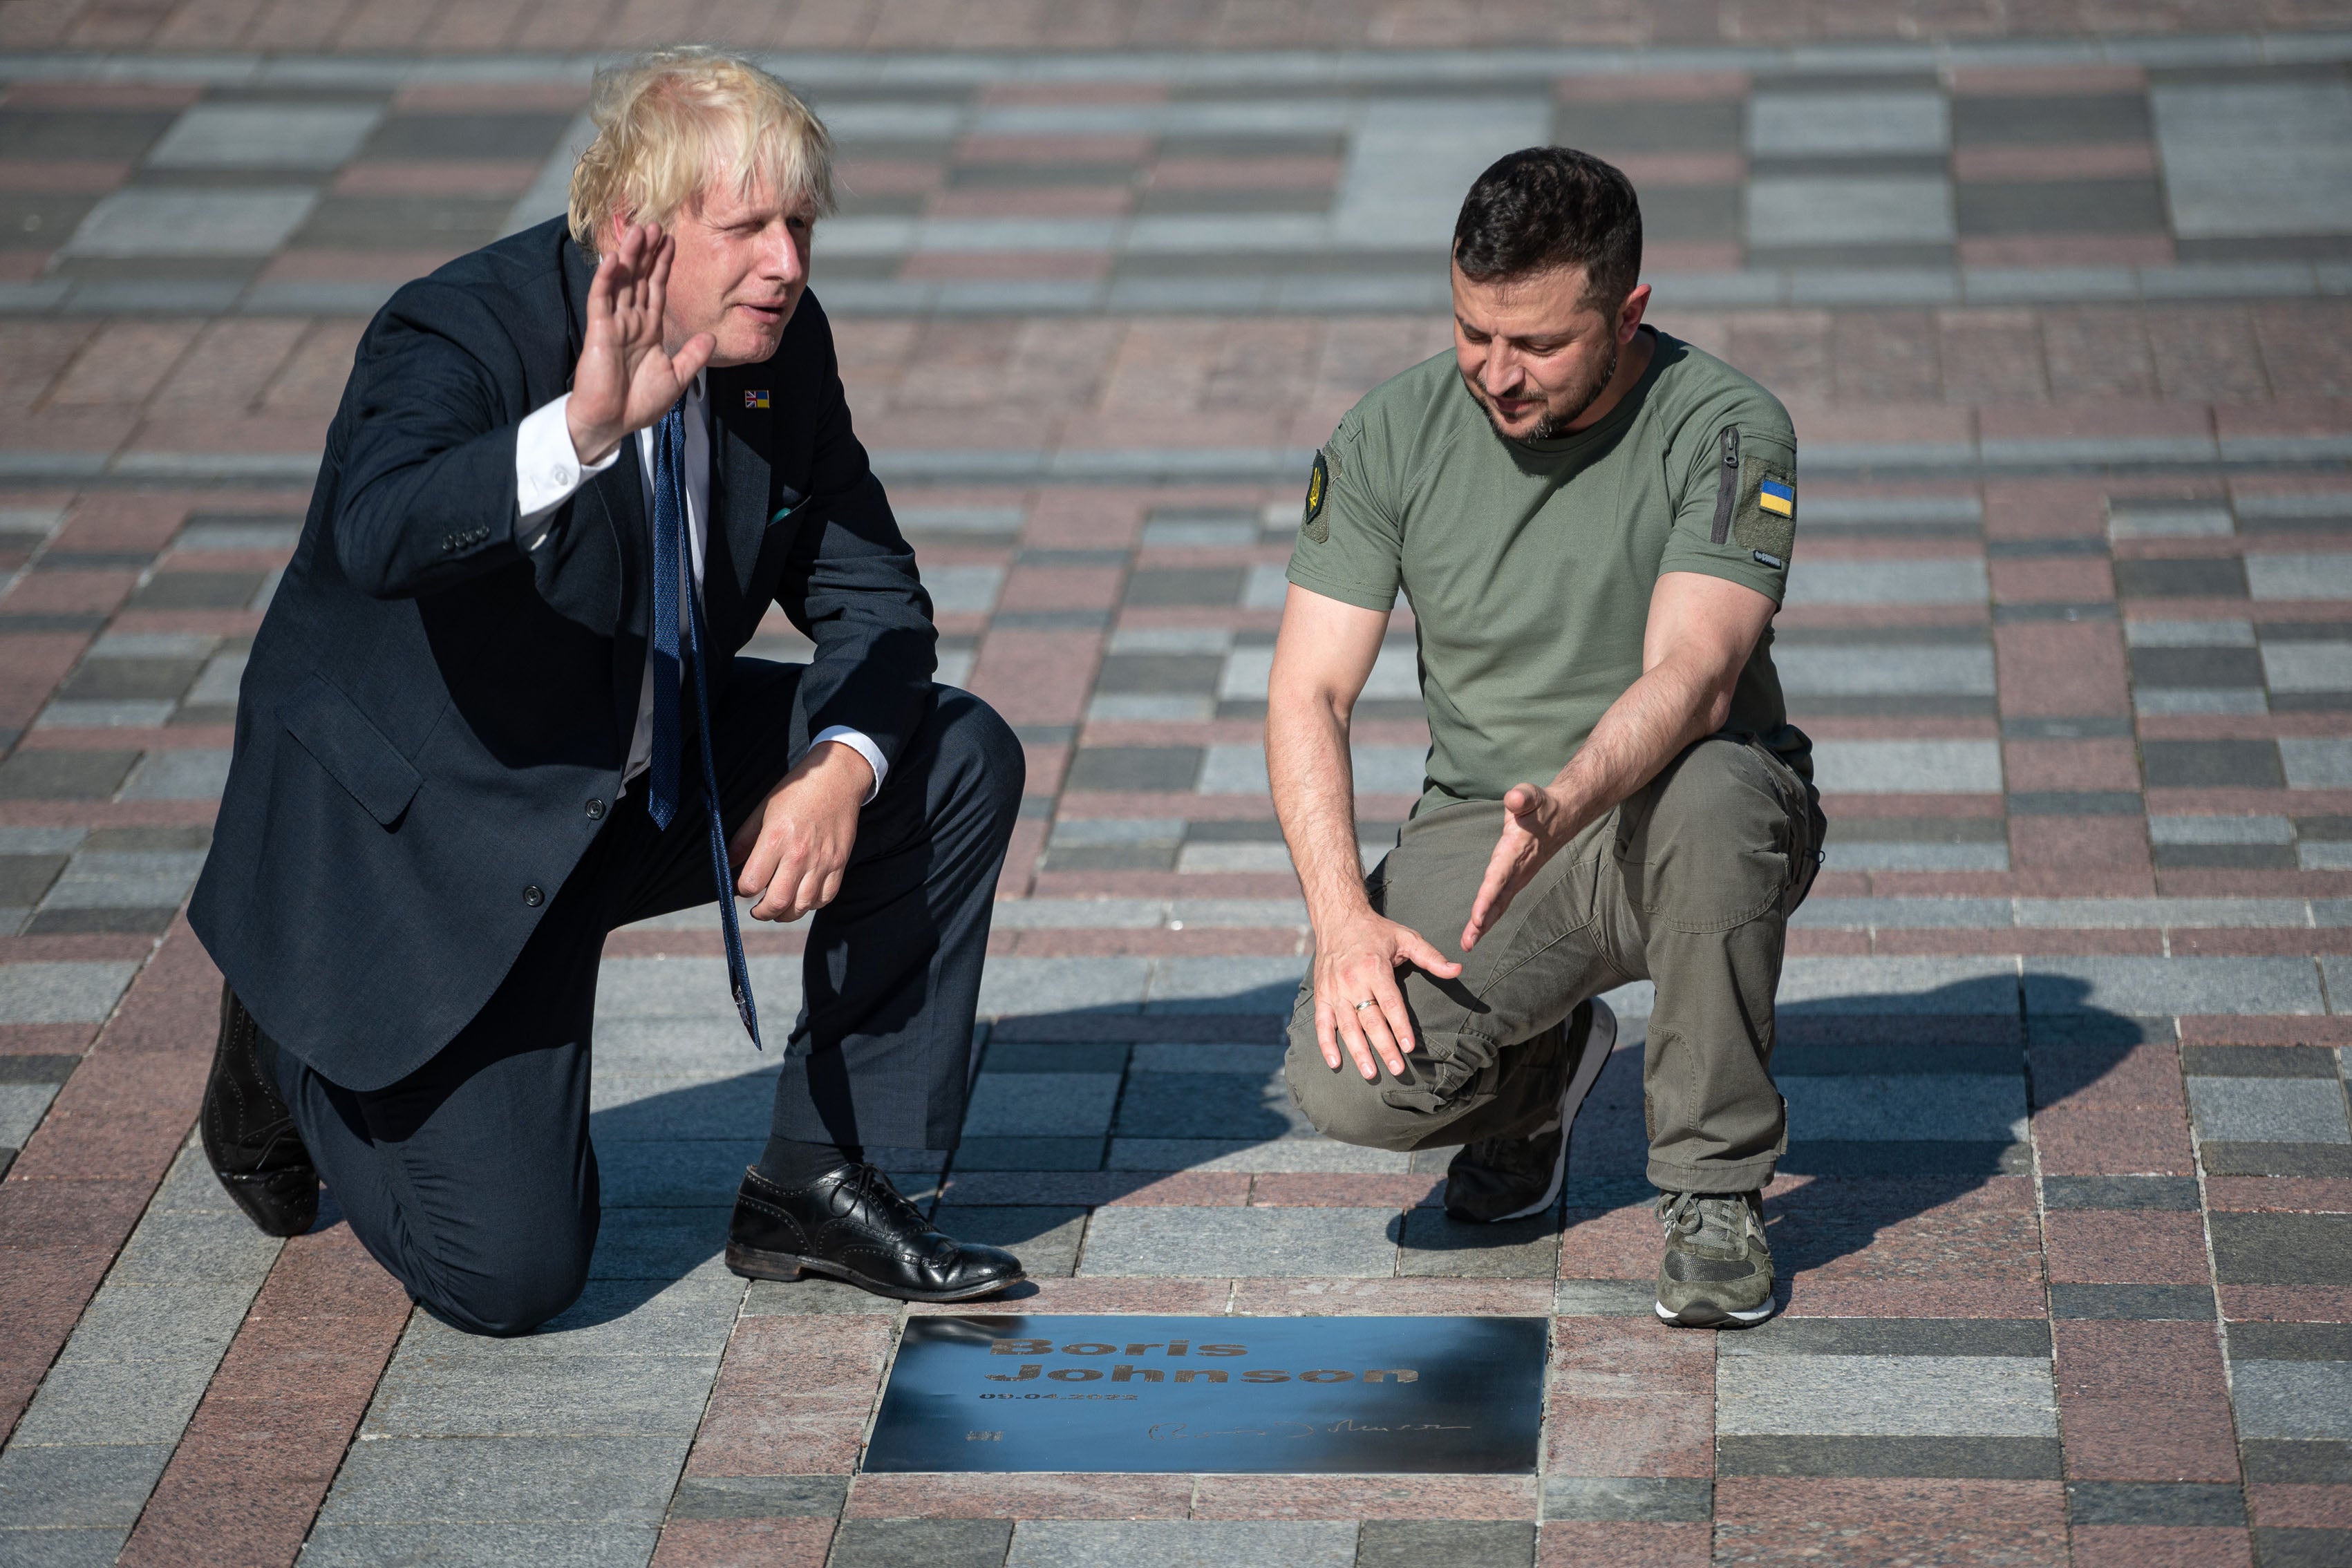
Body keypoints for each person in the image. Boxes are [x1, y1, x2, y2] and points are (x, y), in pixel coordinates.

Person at [189, 47, 1027, 1336]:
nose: (787, 263)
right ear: (641, 224)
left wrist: (834, 770)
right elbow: (377, 529)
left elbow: (874, 592)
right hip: (429, 830)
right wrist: (576, 433)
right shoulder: (460, 329)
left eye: (799, 224)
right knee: (512, 1276)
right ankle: (291, 1026)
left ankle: (818, 1178)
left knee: (950, 752)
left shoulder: (778, 348)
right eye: (747, 226)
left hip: (634, 766)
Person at [1270, 147, 1824, 1329]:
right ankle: (1539, 1077)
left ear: (1629, 313)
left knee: (1720, 798)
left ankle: (1714, 1189)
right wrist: (1341, 921)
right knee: (1350, 1085)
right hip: (1484, 826)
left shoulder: (1727, 427)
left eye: (1540, 345)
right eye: (1476, 332)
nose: (1498, 375)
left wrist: (1568, 801)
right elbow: (1308, 692)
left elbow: (1698, 673)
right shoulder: (1386, 437)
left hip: (1681, 802)